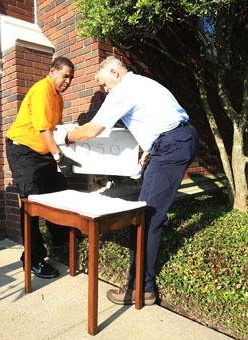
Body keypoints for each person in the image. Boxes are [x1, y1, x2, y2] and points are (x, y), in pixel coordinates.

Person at [59, 56, 199, 304]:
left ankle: (140, 288)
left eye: (103, 84)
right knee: (148, 210)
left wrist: (66, 137)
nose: (103, 90)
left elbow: (93, 129)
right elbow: (159, 120)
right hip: (174, 142)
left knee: (144, 218)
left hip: (171, 145)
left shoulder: (124, 89)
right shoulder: (144, 84)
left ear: (115, 71)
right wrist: (149, 151)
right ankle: (143, 274)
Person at [5, 56, 78, 279]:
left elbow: (53, 128)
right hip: (24, 151)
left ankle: (62, 239)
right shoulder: (42, 90)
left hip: (42, 152)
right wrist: (58, 156)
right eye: (65, 76)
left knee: (59, 191)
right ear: (52, 71)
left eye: (71, 78)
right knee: (32, 203)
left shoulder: (59, 97)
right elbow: (43, 129)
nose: (68, 81)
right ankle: (33, 259)